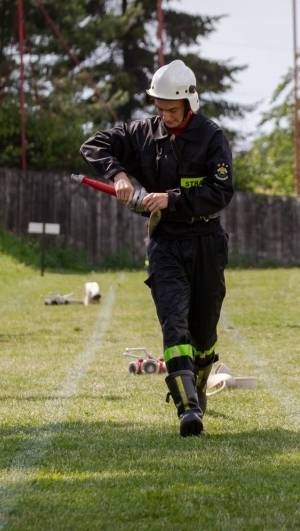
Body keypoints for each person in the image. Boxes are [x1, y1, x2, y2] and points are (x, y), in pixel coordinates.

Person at [80, 60, 234, 436]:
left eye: (171, 109)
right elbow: (93, 144)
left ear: (190, 104)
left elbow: (221, 192)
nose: (164, 116)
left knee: (203, 332)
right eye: (159, 107)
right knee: (173, 325)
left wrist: (172, 199)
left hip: (206, 242)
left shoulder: (213, 138)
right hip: (165, 243)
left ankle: (198, 380)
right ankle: (187, 411)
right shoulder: (143, 133)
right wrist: (117, 173)